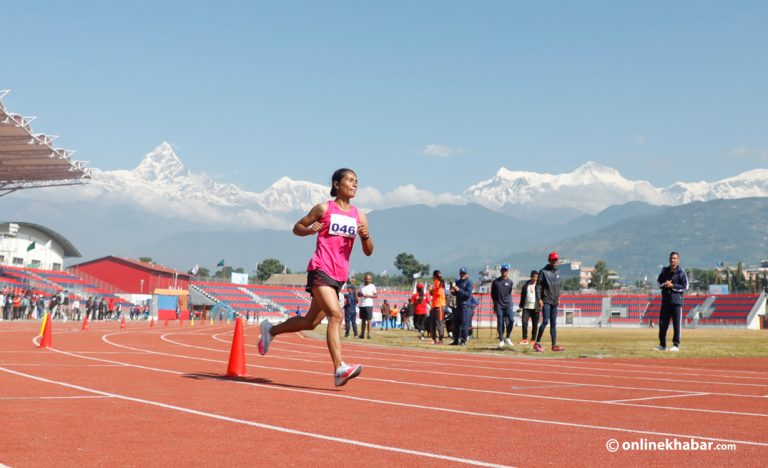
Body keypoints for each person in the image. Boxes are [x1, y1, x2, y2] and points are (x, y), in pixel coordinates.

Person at [258, 168, 373, 387]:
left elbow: (369, 251)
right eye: (350, 180)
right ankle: (339, 368)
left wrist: (366, 237)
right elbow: (297, 227)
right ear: (337, 184)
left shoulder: (360, 217)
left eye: (356, 181)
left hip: (339, 276)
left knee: (310, 322)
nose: (355, 184)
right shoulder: (323, 209)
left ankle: (270, 330)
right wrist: (311, 229)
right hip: (320, 269)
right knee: (336, 315)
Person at [657, 251, 688, 352]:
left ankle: (676, 345)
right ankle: (662, 345)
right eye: (671, 258)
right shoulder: (664, 271)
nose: (672, 260)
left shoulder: (681, 272)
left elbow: (686, 287)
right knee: (662, 324)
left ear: (678, 260)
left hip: (676, 303)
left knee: (676, 325)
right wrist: (664, 284)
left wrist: (673, 286)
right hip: (665, 302)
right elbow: (659, 282)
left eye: (674, 258)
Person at [533, 252, 564, 352]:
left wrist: (558, 297)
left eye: (556, 260)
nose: (555, 262)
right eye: (553, 260)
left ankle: (554, 345)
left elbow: (558, 286)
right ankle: (537, 343)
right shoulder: (543, 272)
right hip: (546, 300)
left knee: (553, 324)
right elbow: (538, 286)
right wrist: (539, 299)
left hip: (555, 301)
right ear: (549, 260)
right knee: (545, 321)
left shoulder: (558, 272)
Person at [491, 263, 515, 349]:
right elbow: (493, 294)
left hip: (508, 304)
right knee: (500, 321)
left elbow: (509, 293)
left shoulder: (510, 282)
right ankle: (501, 339)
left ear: (508, 271)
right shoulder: (496, 282)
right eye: (503, 270)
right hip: (499, 305)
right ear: (501, 270)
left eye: (506, 270)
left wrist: (509, 303)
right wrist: (495, 304)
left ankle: (507, 337)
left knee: (511, 320)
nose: (504, 271)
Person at [449, 267, 473, 346]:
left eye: (464, 273)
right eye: (461, 273)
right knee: (456, 323)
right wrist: (453, 291)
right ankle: (456, 339)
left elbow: (467, 295)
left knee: (464, 324)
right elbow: (457, 293)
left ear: (466, 274)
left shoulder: (469, 283)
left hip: (465, 305)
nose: (462, 275)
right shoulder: (458, 282)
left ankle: (463, 340)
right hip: (458, 305)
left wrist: (458, 290)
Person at [518, 270, 539, 345]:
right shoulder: (526, 285)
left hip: (535, 308)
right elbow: (522, 296)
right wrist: (520, 306)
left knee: (535, 325)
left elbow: (541, 296)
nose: (535, 278)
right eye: (534, 277)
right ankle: (524, 339)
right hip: (526, 308)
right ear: (531, 277)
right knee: (524, 323)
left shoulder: (539, 285)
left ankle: (533, 339)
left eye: (536, 277)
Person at [428, 270, 446, 344]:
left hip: (439, 305)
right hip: (434, 305)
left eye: (433, 275)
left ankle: (440, 339)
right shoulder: (435, 282)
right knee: (432, 323)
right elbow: (434, 294)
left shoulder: (439, 283)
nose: (432, 277)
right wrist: (430, 291)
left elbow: (439, 293)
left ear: (435, 275)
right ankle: (434, 339)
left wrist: (432, 290)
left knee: (439, 323)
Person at [357, 274, 377, 339]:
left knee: (369, 320)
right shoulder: (361, 285)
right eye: (366, 279)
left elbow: (376, 296)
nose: (368, 280)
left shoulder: (372, 286)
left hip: (369, 305)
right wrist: (360, 294)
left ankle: (369, 334)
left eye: (369, 279)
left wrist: (367, 296)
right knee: (363, 320)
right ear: (364, 279)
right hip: (362, 305)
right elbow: (358, 294)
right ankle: (362, 334)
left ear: (371, 280)